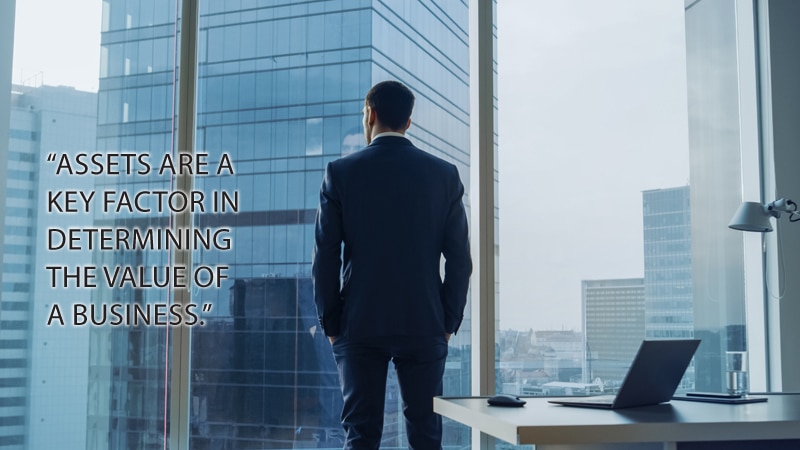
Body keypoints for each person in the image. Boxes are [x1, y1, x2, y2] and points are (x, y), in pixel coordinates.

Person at [312, 80, 472, 449]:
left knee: (361, 434)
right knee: (425, 434)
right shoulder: (444, 175)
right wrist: (447, 321)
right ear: (408, 123)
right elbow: (460, 261)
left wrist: (332, 323)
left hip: (360, 321)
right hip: (424, 320)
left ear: (370, 114)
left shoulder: (340, 173)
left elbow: (325, 257)